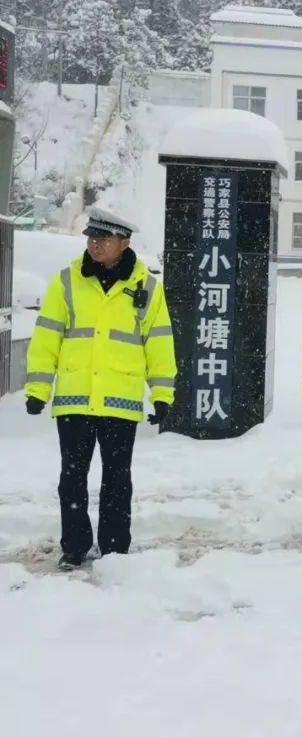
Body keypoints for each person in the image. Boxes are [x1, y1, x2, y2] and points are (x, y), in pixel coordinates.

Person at [24, 207, 176, 570]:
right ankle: (74, 546)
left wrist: (162, 394)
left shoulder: (148, 288)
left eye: (104, 238)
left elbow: (159, 344)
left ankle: (114, 548)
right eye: (92, 238)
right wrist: (37, 389)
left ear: (124, 243)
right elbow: (47, 337)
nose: (95, 244)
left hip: (120, 401)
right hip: (74, 398)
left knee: (117, 479)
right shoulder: (66, 282)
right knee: (72, 478)